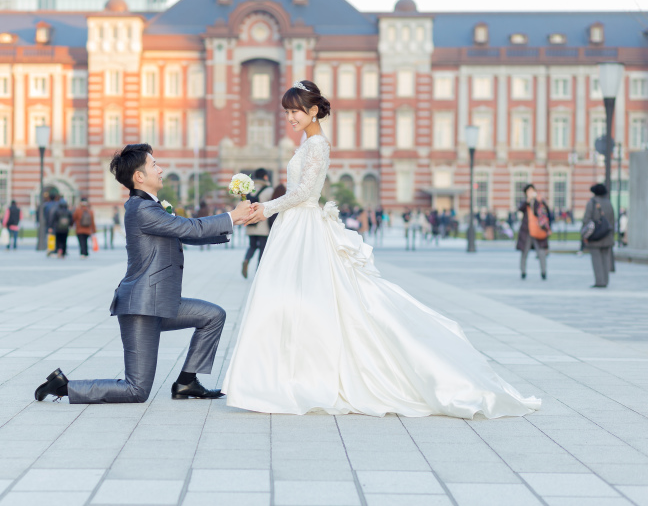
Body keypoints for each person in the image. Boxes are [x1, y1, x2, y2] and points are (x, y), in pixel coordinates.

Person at [223, 80, 540, 418]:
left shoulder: (318, 144)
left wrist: (264, 208)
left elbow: (303, 193)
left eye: (295, 111)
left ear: (313, 110)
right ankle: (280, 374)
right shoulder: (306, 141)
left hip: (303, 225)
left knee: (310, 298)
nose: (290, 118)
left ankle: (300, 375)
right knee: (290, 297)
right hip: (294, 227)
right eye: (286, 112)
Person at [34, 143, 252, 403]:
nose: (160, 170)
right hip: (141, 307)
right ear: (139, 177)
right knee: (136, 390)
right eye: (154, 165)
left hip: (160, 303)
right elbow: (189, 227)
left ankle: (186, 382)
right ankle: (63, 387)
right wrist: (231, 216)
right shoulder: (142, 209)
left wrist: (233, 222)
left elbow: (186, 233)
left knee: (213, 316)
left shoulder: (152, 207)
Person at [583, 184, 615, 288]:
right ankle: (605, 281)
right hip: (607, 236)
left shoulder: (591, 203)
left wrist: (585, 235)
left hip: (595, 237)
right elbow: (612, 221)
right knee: (606, 259)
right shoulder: (609, 203)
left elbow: (586, 220)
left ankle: (599, 281)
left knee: (596, 259)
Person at [242, 168, 273, 278]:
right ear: (265, 177)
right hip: (262, 226)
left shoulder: (250, 189)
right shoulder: (269, 190)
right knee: (262, 249)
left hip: (250, 224)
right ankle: (258, 272)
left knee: (252, 246)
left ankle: (246, 260)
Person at [516, 184, 550, 280]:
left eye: (532, 191)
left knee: (541, 252)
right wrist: (528, 201)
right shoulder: (525, 202)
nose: (530, 193)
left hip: (538, 229)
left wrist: (539, 201)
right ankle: (523, 272)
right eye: (528, 191)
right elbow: (520, 209)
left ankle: (543, 272)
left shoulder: (539, 201)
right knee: (524, 252)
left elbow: (545, 212)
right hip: (526, 231)